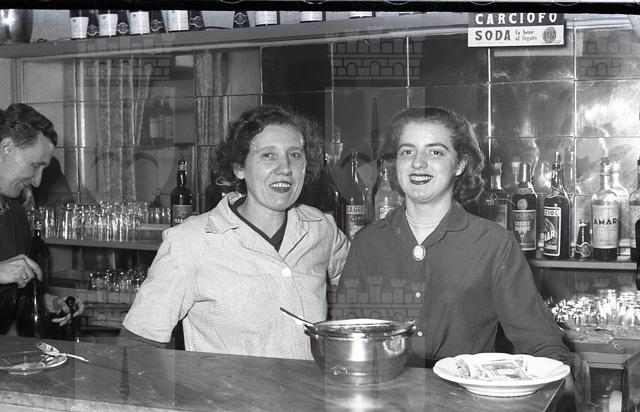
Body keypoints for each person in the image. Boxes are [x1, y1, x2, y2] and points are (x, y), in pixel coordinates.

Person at [334, 106, 576, 369]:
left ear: (460, 164)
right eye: (407, 152)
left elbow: (542, 345)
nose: (418, 163)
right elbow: (344, 340)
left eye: (435, 152)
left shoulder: (494, 244)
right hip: (383, 389)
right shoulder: (368, 243)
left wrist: (559, 375)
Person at [119, 105, 349, 359]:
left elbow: (361, 282)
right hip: (227, 387)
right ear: (239, 167)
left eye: (294, 155)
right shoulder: (190, 242)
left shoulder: (321, 228)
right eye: (268, 155)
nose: (285, 168)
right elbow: (138, 345)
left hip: (311, 386)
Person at [0, 103, 83, 334]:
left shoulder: (14, 211)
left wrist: (44, 301)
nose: (37, 181)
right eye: (35, 165)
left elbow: (10, 288)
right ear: (6, 149)